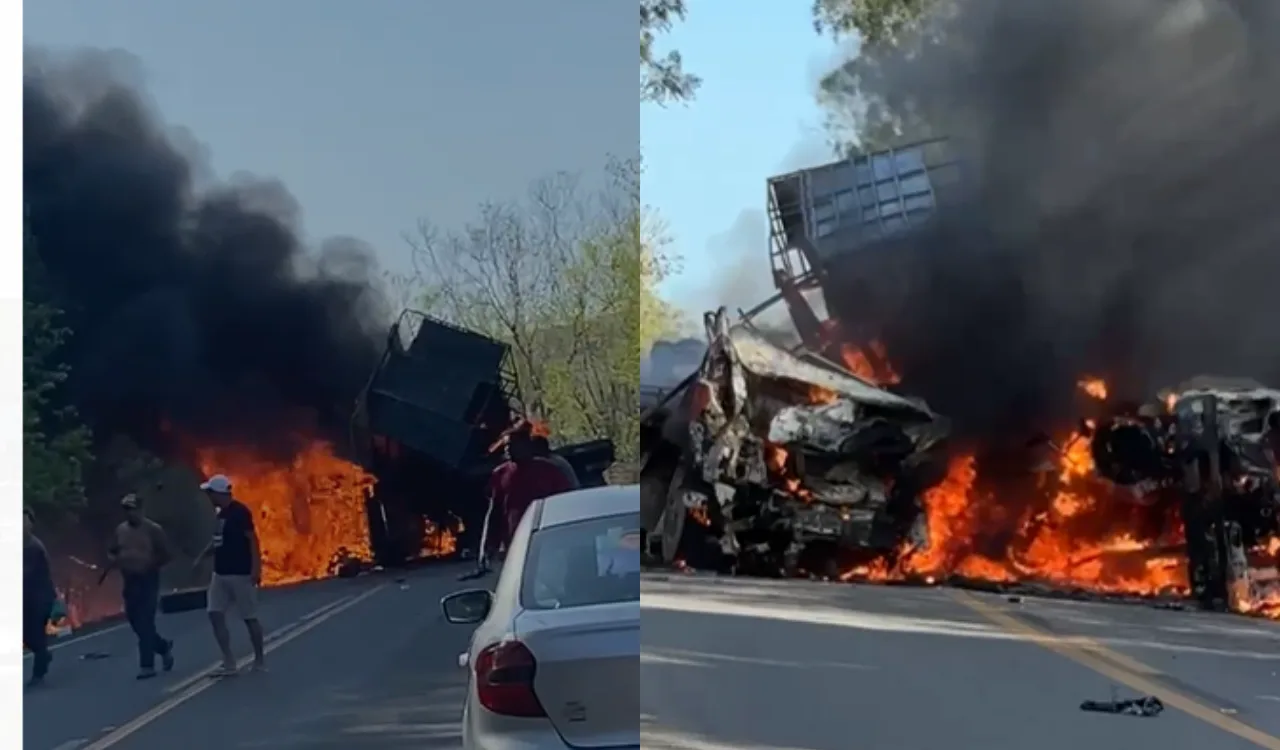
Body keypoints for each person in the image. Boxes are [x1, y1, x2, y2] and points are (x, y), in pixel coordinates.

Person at [194, 474, 265, 676]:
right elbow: (217, 541)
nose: (208, 496)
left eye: (210, 493)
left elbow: (252, 540)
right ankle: (229, 661)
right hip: (220, 573)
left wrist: (256, 569)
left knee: (249, 617)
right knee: (214, 613)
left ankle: (259, 659)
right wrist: (201, 557)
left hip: (240, 573)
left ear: (219, 493)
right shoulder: (220, 515)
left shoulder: (240, 513)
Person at [482, 430, 575, 569]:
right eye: (506, 446)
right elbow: (494, 511)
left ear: (526, 445)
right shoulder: (500, 474)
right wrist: (487, 546)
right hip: (515, 543)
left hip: (546, 541)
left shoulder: (549, 470)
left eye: (512, 445)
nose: (507, 449)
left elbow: (566, 503)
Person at [107, 494, 176, 679]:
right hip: (130, 581)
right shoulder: (120, 531)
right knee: (134, 621)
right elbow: (112, 550)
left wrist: (149, 564)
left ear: (141, 510)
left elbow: (166, 555)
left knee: (145, 622)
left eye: (133, 509)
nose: (131, 514)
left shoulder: (154, 530)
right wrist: (115, 560)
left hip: (148, 580)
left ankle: (147, 665)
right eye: (127, 510)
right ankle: (162, 646)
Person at [23, 507, 56, 688]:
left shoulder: (35, 547)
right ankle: (43, 654)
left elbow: (36, 574)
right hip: (24, 598)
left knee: (35, 632)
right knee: (27, 636)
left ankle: (39, 672)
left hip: (40, 597)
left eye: (25, 521)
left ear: (31, 525)